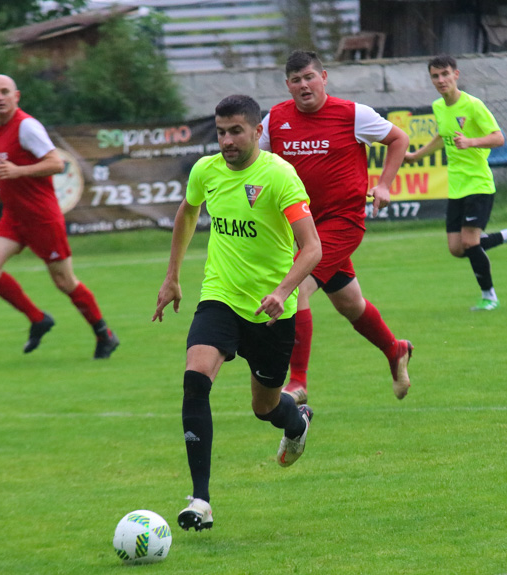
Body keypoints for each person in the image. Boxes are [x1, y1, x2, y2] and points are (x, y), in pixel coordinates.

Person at [153, 95, 322, 532]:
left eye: (235, 132)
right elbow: (187, 214)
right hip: (220, 297)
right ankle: (201, 500)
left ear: (256, 132)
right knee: (195, 380)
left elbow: (312, 247)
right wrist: (172, 276)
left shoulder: (279, 176)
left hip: (270, 314)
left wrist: (283, 290)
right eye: (221, 131)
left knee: (264, 408)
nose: (226, 140)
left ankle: (296, 420)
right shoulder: (205, 171)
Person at [259, 50, 413, 405]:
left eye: (310, 77)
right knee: (350, 303)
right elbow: (260, 163)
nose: (304, 85)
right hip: (302, 227)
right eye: (296, 80)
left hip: (342, 222)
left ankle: (298, 382)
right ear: (288, 85)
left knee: (295, 289)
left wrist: (385, 184)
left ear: (324, 77)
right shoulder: (275, 120)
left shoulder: (352, 114)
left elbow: (399, 139)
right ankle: (395, 349)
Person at [0, 74, 119, 358]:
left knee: (65, 282)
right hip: (14, 216)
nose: (0, 97)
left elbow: (56, 163)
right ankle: (37, 319)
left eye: (5, 91)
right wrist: (3, 190)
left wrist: (16, 173)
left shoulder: (27, 126)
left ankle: (104, 334)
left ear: (16, 96)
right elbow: (17, 170)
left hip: (42, 218)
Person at [404, 55, 507, 311]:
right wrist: (417, 155)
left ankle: (489, 296)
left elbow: (497, 138)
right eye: (435, 76)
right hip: (457, 187)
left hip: (479, 184)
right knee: (457, 248)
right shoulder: (439, 107)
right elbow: (443, 136)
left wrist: (471, 142)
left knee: (471, 242)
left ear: (456, 75)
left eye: (445, 74)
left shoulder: (473, 105)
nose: (441, 80)